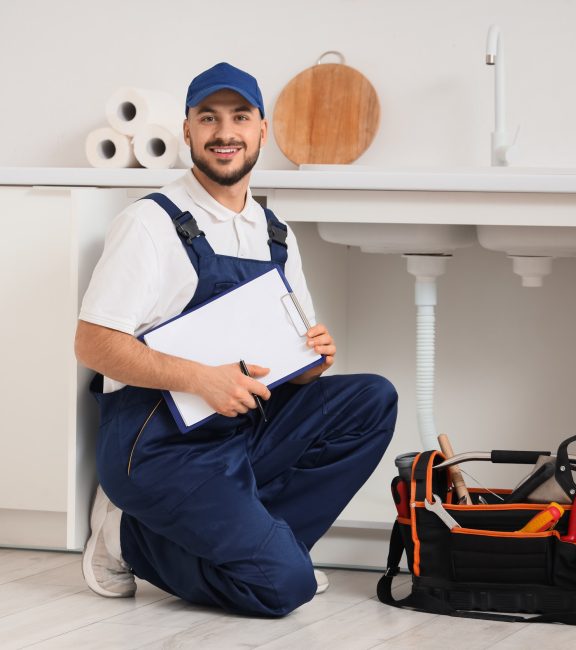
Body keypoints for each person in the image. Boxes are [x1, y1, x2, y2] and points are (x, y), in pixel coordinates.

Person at [74, 62, 398, 617]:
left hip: (243, 429)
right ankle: (127, 535)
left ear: (261, 131)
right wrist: (201, 379)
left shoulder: (275, 233)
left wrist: (313, 358)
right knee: (284, 588)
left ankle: (269, 543)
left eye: (240, 117)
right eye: (209, 118)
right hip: (160, 446)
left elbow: (291, 358)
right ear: (188, 132)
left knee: (372, 399)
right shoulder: (150, 224)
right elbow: (94, 345)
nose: (225, 132)